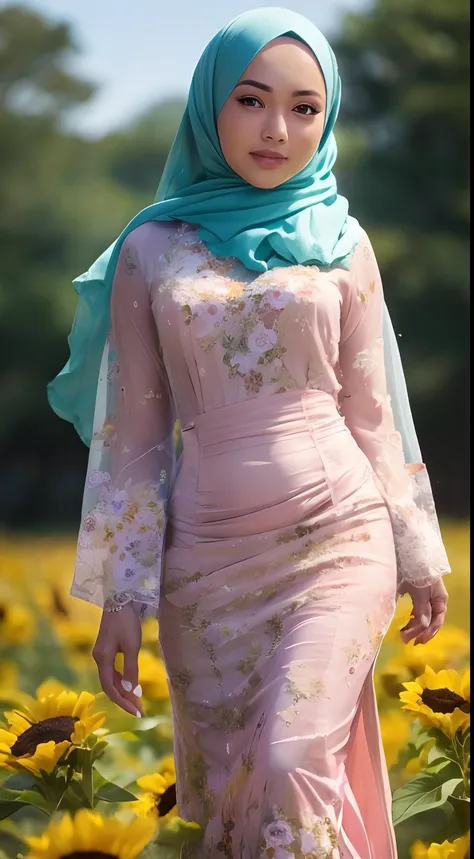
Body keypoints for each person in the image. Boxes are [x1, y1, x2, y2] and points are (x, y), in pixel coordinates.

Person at [47, 8, 451, 858]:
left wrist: (418, 550)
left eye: (306, 108)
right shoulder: (151, 249)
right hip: (207, 568)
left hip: (338, 537)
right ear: (209, 107)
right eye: (252, 100)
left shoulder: (345, 244)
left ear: (328, 119)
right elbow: (136, 433)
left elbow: (372, 412)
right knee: (239, 798)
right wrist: (123, 594)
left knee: (291, 757)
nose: (278, 129)